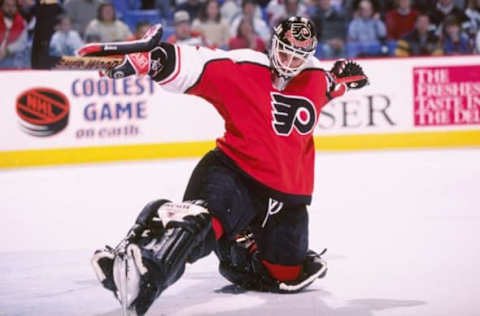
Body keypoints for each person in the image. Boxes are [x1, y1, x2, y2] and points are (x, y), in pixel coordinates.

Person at [82, 17, 368, 316]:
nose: (290, 62)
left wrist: (345, 76)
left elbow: (335, 82)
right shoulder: (245, 66)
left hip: (286, 197)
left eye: (299, 56)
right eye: (284, 53)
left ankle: (235, 240)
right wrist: (149, 60)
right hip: (233, 175)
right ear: (272, 44)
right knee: (200, 224)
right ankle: (148, 267)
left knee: (286, 275)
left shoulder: (317, 78)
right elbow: (191, 63)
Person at [0, 0, 28, 69]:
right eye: (7, 5)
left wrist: (7, 50)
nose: (10, 8)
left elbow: (22, 43)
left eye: (13, 6)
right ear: (2, 6)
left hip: (13, 59)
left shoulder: (22, 23)